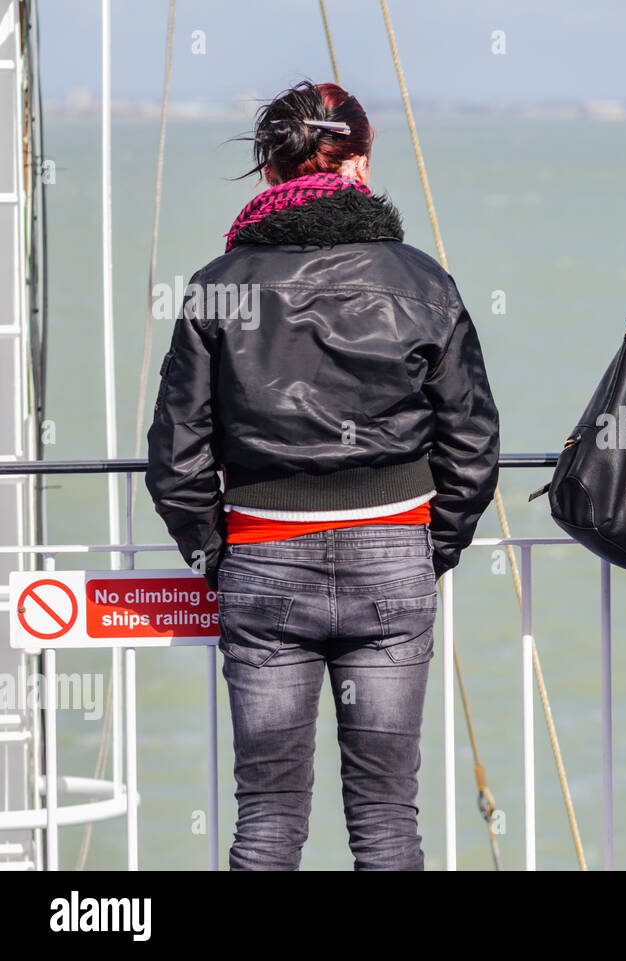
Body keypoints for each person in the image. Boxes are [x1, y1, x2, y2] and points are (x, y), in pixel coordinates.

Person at [146, 80, 500, 870]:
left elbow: (177, 457)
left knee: (266, 823)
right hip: (393, 552)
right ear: (362, 163)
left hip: (262, 557)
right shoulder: (421, 279)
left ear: (270, 171)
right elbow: (471, 442)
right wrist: (425, 548)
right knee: (386, 819)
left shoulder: (219, 283)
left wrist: (219, 554)